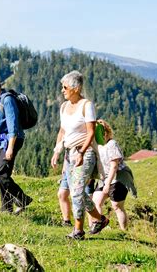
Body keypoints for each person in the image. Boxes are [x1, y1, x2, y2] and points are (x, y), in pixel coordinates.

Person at [50, 70, 109, 240]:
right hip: (69, 154)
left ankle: (78, 231)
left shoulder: (86, 105)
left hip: (84, 152)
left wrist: (82, 153)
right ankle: (99, 219)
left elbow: (90, 132)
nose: (62, 90)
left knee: (76, 191)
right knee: (78, 192)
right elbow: (62, 131)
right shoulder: (64, 107)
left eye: (65, 87)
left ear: (75, 88)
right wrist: (57, 152)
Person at [0, 73, 32, 214]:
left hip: (11, 140)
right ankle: (6, 208)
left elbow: (12, 124)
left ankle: (22, 199)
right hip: (0, 140)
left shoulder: (7, 100)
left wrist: (10, 147)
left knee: (2, 173)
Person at [92, 119, 137, 231]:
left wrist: (107, 184)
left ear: (106, 132)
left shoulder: (112, 144)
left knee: (117, 206)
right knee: (96, 201)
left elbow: (114, 166)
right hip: (105, 177)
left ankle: (124, 231)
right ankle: (98, 225)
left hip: (119, 177)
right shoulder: (98, 146)